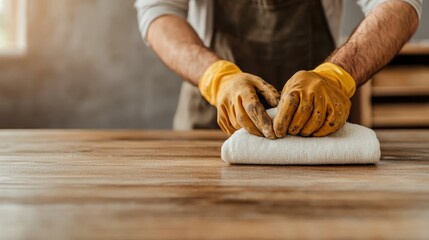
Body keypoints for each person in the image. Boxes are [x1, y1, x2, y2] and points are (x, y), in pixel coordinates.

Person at [135, 0, 422, 139]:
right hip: (211, 119)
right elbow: (160, 12)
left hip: (322, 114)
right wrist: (217, 78)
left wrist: (337, 76)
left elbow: (400, 5)